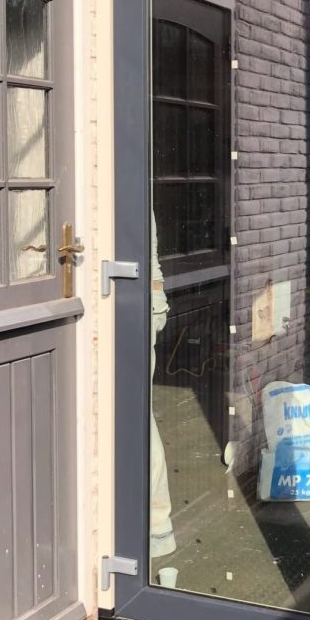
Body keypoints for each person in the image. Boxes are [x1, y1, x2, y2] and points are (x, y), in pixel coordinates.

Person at [150, 211, 176, 559]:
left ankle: (157, 526)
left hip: (136, 304)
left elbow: (146, 250)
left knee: (137, 420)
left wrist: (156, 304)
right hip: (147, 302)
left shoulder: (136, 201)